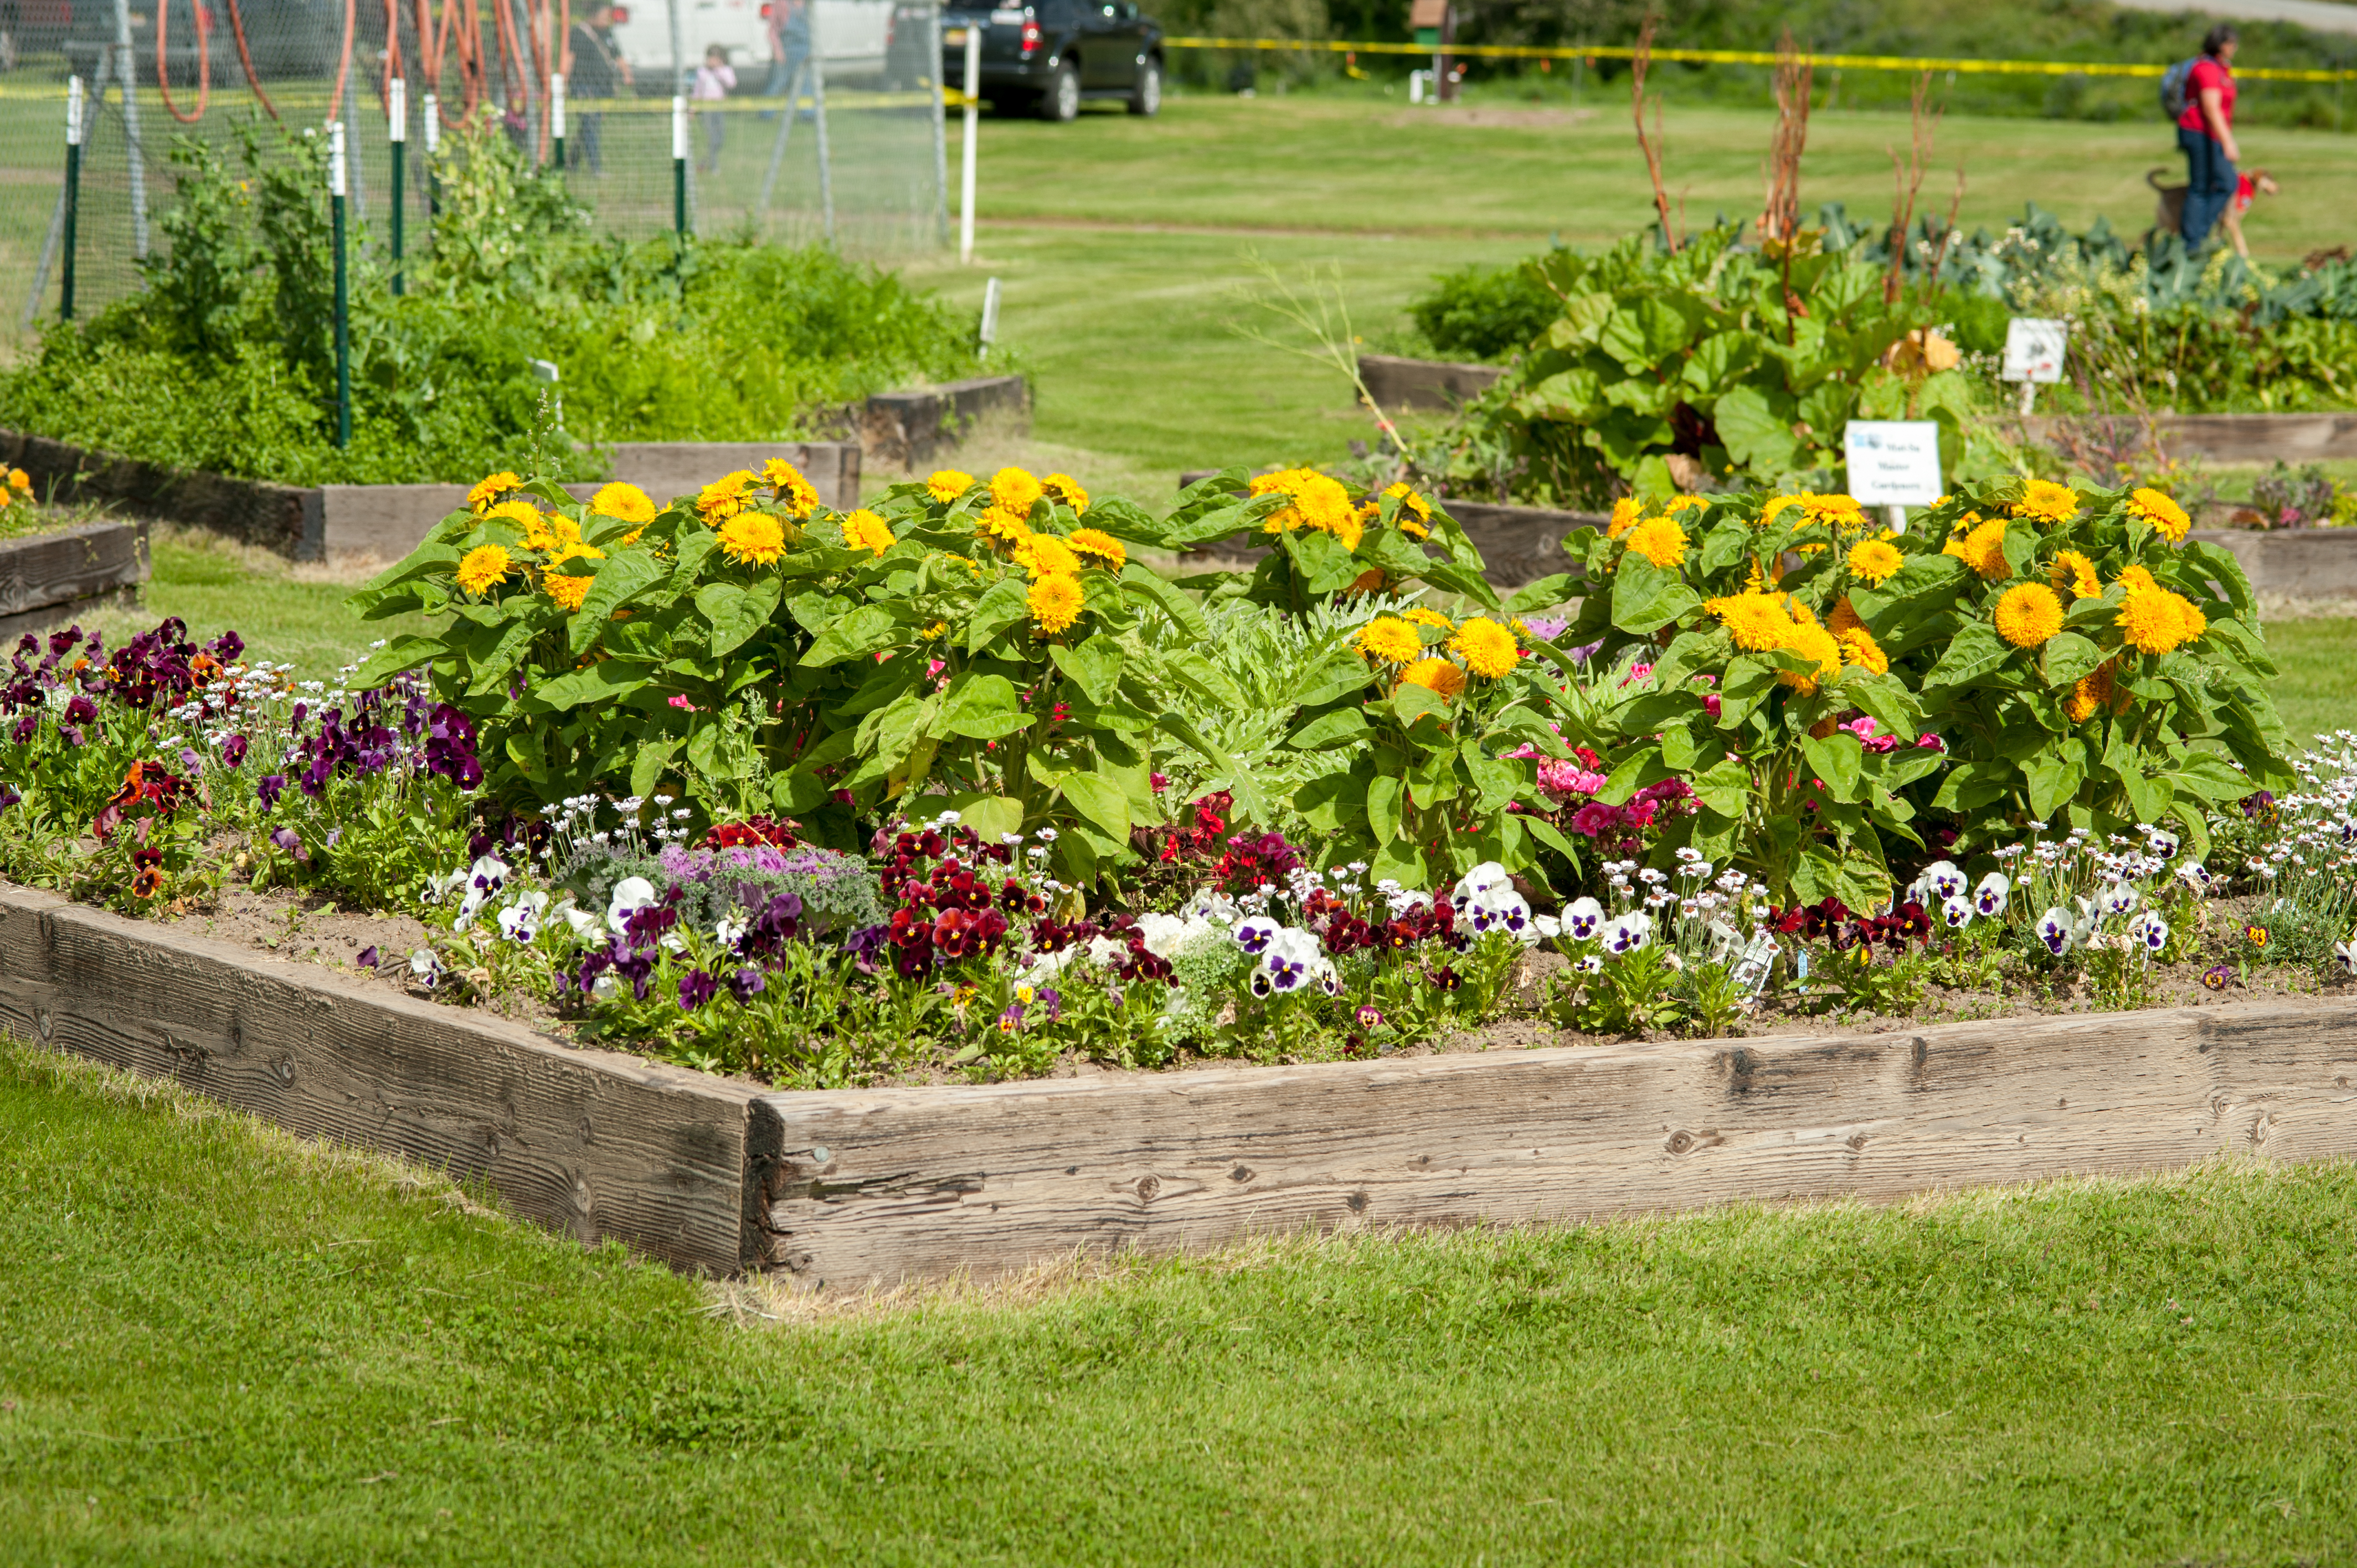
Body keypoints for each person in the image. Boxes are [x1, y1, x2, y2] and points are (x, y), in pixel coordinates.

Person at [2176, 23, 2240, 253]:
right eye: (2232, 44)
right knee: (2213, 185)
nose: (2235, 48)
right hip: (2199, 132)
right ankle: (2193, 242)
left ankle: (2196, 239)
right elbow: (2211, 108)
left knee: (2215, 185)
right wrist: (2228, 142)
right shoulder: (2207, 68)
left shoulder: (2221, 68)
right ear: (2222, 45)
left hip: (2210, 133)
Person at [566, 1, 632, 174]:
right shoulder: (579, 33)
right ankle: (596, 168)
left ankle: (572, 162)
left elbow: (617, 56)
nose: (606, 17)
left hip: (602, 86)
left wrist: (627, 74)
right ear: (595, 13)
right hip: (583, 85)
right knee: (589, 124)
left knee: (590, 125)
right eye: (604, 14)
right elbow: (569, 58)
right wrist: (564, 81)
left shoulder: (607, 32)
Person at [693, 44, 736, 174]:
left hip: (719, 108)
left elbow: (731, 84)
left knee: (720, 139)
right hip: (707, 109)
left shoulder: (726, 71)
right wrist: (693, 108)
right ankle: (714, 166)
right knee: (712, 137)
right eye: (709, 58)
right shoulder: (702, 72)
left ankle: (704, 161)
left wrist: (719, 70)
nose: (710, 61)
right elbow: (697, 91)